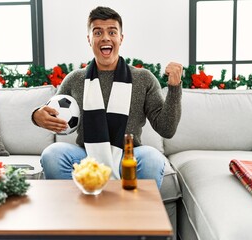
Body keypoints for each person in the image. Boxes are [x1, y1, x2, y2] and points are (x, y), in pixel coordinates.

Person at [32, 6, 182, 189]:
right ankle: (75, 212)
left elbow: (167, 129)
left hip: (128, 156)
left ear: (121, 38)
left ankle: (136, 215)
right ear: (89, 39)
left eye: (112, 32)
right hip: (87, 157)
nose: (105, 37)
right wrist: (37, 116)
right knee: (52, 154)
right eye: (98, 32)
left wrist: (174, 88)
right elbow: (53, 115)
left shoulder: (143, 78)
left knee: (152, 158)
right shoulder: (75, 79)